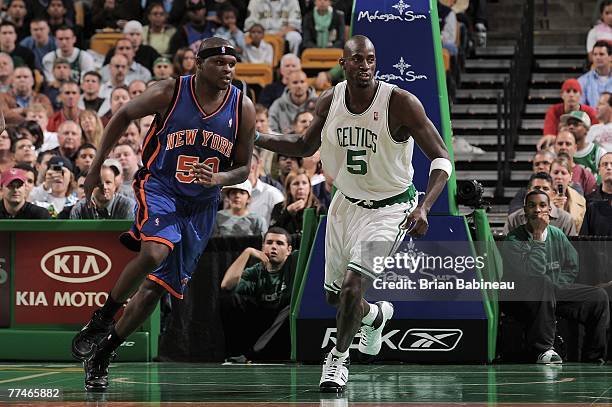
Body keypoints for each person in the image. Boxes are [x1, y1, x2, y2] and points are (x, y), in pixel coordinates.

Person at [255, 35, 451, 392]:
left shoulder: (400, 102)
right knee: (336, 297)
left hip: (391, 208)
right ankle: (374, 316)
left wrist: (425, 206)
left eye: (370, 59)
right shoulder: (331, 99)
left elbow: (441, 158)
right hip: (344, 204)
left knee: (350, 288)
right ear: (343, 65)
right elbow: (303, 145)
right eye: (357, 59)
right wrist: (255, 138)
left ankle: (338, 360)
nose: (364, 65)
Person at [70, 37, 256, 392]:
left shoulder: (242, 106)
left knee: (156, 291)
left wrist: (220, 177)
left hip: (201, 206)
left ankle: (104, 352)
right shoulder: (170, 92)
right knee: (155, 251)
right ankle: (102, 318)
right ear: (198, 64)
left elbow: (244, 167)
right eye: (220, 63)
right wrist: (95, 166)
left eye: (232, 64)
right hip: (162, 187)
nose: (228, 70)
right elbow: (122, 115)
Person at [502, 190, 609, 364]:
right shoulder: (513, 239)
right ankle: (543, 350)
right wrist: (537, 237)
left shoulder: (557, 234)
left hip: (552, 291)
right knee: (542, 281)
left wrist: (558, 285)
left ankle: (595, 357)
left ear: (549, 210)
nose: (537, 210)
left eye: (542, 205)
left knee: (598, 297)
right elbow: (533, 273)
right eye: (532, 205)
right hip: (522, 297)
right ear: (525, 211)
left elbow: (571, 265)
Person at [220, 226, 296, 361]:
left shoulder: (295, 261)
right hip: (262, 317)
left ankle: (253, 354)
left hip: (287, 322)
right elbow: (227, 285)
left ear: (289, 250)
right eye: (269, 242)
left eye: (279, 243)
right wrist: (247, 252)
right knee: (229, 299)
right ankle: (237, 353)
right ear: (262, 247)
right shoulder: (255, 271)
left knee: (291, 307)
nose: (273, 247)